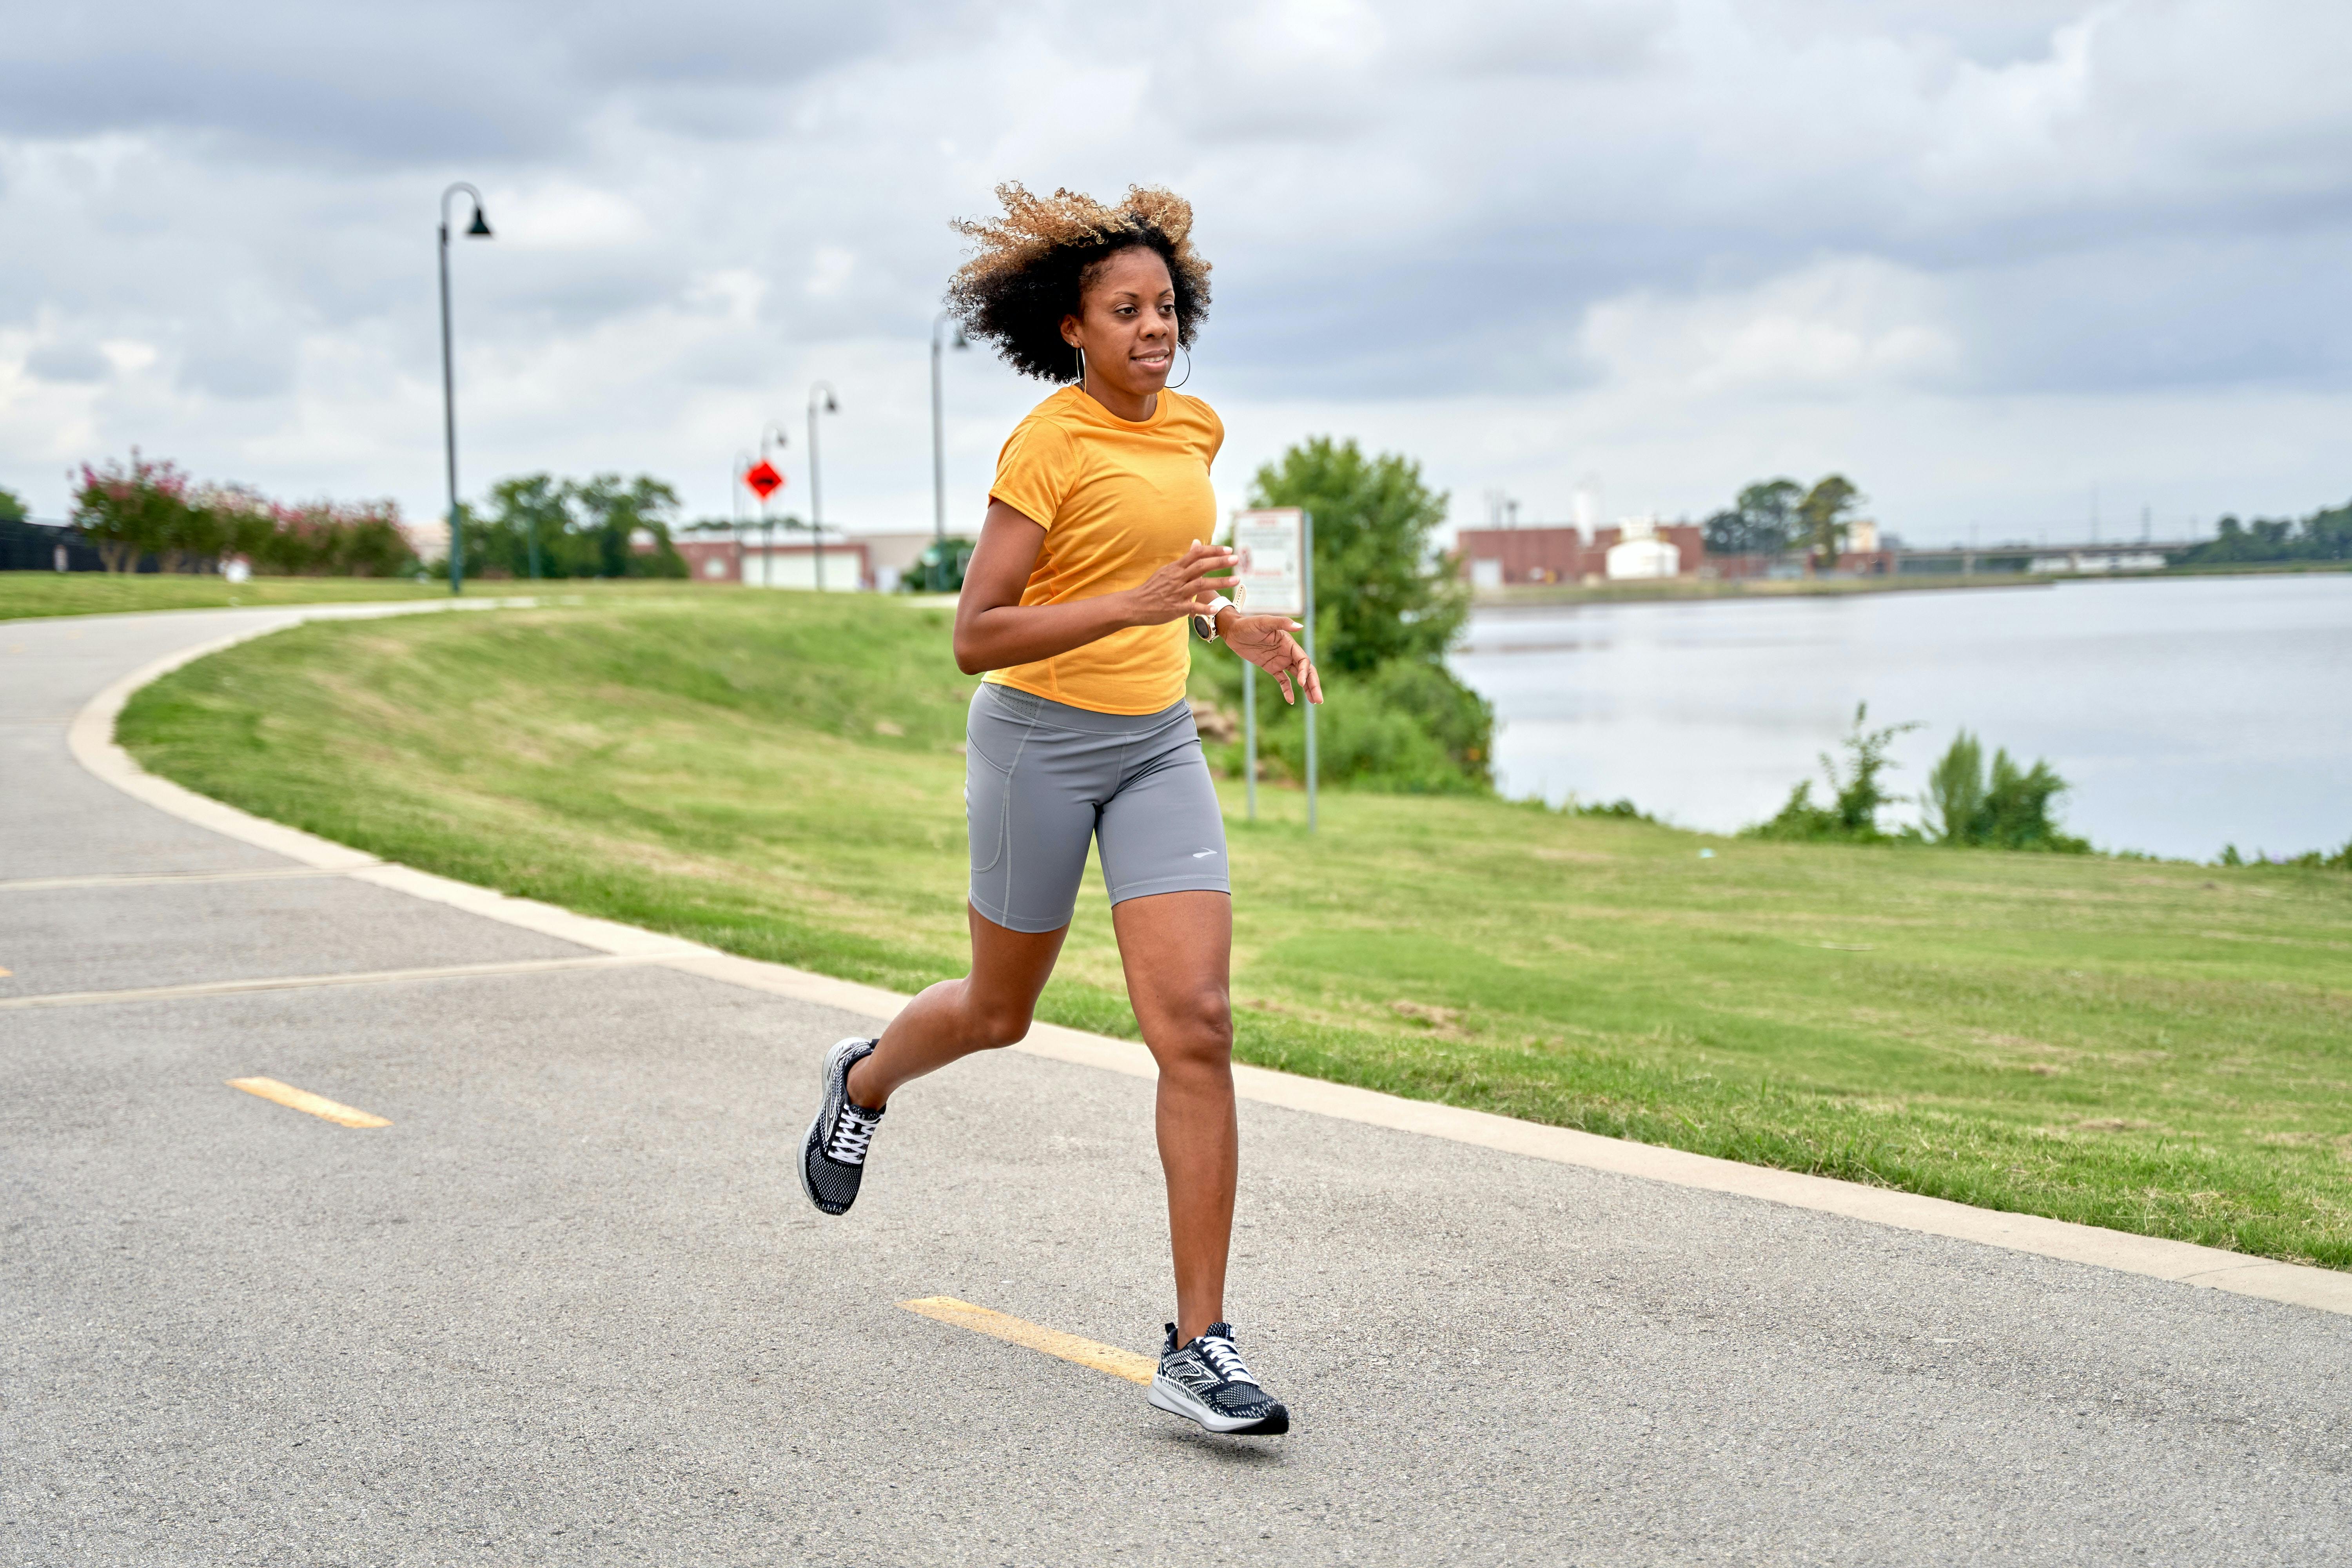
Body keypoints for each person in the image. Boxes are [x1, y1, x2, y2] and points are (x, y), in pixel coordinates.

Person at [798, 183, 1320, 1437]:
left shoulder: (1195, 429)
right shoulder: (1048, 443)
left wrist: (1217, 619)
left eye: (1166, 306)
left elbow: (1156, 581)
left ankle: (1199, 1343)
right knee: (999, 1011)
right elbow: (977, 634)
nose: (1155, 328)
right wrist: (1138, 604)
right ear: (1073, 328)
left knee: (1195, 1023)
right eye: (1125, 310)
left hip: (1155, 745)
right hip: (1036, 738)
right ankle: (863, 1082)